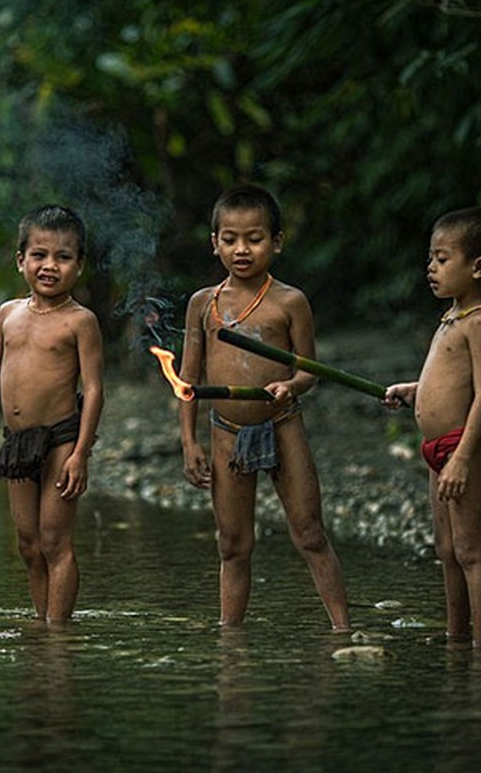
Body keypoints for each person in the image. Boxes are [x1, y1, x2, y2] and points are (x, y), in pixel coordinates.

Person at [179, 184, 350, 629]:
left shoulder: (290, 302)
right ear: (213, 242)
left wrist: (292, 385)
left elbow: (309, 370)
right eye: (230, 238)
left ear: (276, 242)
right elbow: (188, 381)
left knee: (310, 533)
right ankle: (230, 639)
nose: (241, 249)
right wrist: (188, 442)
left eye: (254, 239)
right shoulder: (204, 303)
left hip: (282, 423)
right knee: (233, 544)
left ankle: (343, 628)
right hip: (225, 432)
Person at [0, 205, 105, 623]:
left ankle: (58, 636)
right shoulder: (8, 314)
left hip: (62, 438)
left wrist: (81, 453)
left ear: (79, 266)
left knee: (54, 540)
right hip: (17, 441)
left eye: (63, 257)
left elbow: (94, 389)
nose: (50, 266)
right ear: (20, 259)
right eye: (39, 254)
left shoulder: (80, 321)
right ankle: (43, 623)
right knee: (28, 543)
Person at [383, 206, 481, 648]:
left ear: (477, 267)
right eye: (431, 259)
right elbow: (445, 382)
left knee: (470, 549)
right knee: (445, 550)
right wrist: (413, 389)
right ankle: (456, 635)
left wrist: (461, 459)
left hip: (463, 448)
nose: (431, 268)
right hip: (437, 447)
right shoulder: (451, 317)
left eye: (442, 259)